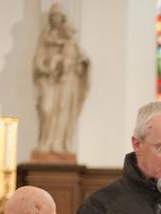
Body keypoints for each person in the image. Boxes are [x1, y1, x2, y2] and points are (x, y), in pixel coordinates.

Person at [33, 3, 90, 155]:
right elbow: (38, 61)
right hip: (49, 81)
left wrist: (75, 65)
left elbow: (83, 59)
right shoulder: (45, 38)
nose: (56, 20)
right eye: (53, 17)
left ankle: (60, 143)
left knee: (64, 109)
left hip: (67, 82)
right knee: (47, 108)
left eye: (58, 17)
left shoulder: (71, 42)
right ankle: (45, 142)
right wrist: (48, 67)